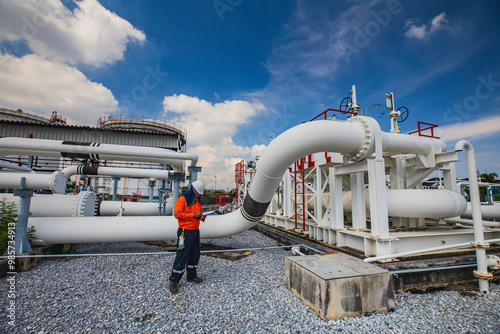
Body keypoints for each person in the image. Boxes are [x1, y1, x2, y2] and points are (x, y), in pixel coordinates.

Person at [169, 179, 206, 294]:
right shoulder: (182, 200)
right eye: (198, 193)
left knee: (195, 254)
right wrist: (193, 215)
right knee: (182, 255)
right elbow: (177, 214)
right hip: (185, 231)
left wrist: (201, 217)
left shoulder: (196, 202)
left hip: (195, 231)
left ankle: (191, 275)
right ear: (193, 191)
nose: (199, 195)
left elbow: (197, 214)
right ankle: (174, 279)